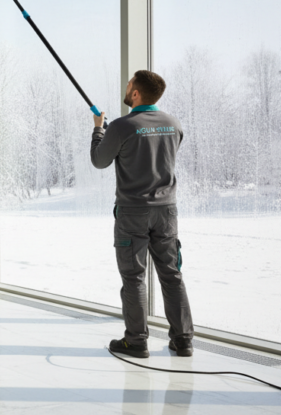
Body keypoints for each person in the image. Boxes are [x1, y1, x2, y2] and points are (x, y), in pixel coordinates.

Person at [90, 70, 194, 358]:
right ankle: (183, 339)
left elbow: (100, 160)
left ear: (135, 94)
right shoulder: (173, 124)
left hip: (133, 212)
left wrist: (100, 129)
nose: (126, 88)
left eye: (129, 85)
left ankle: (136, 341)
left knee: (134, 278)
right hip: (166, 211)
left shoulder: (121, 126)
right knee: (171, 275)